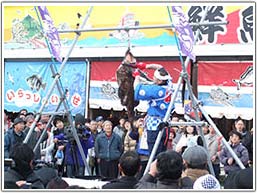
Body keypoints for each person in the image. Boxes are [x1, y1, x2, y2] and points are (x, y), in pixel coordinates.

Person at [133, 63, 173, 157]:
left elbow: (137, 89)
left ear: (159, 81)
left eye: (154, 77)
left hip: (155, 125)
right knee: (161, 154)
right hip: (165, 123)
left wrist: (137, 76)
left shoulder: (156, 90)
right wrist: (145, 66)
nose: (152, 78)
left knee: (154, 155)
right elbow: (160, 67)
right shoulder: (169, 84)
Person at [65, 113, 94, 178]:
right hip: (70, 159)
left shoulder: (85, 132)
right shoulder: (70, 130)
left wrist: (83, 137)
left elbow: (90, 144)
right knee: (69, 179)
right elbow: (63, 137)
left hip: (81, 160)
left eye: (80, 124)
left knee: (80, 179)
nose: (79, 125)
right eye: (78, 124)